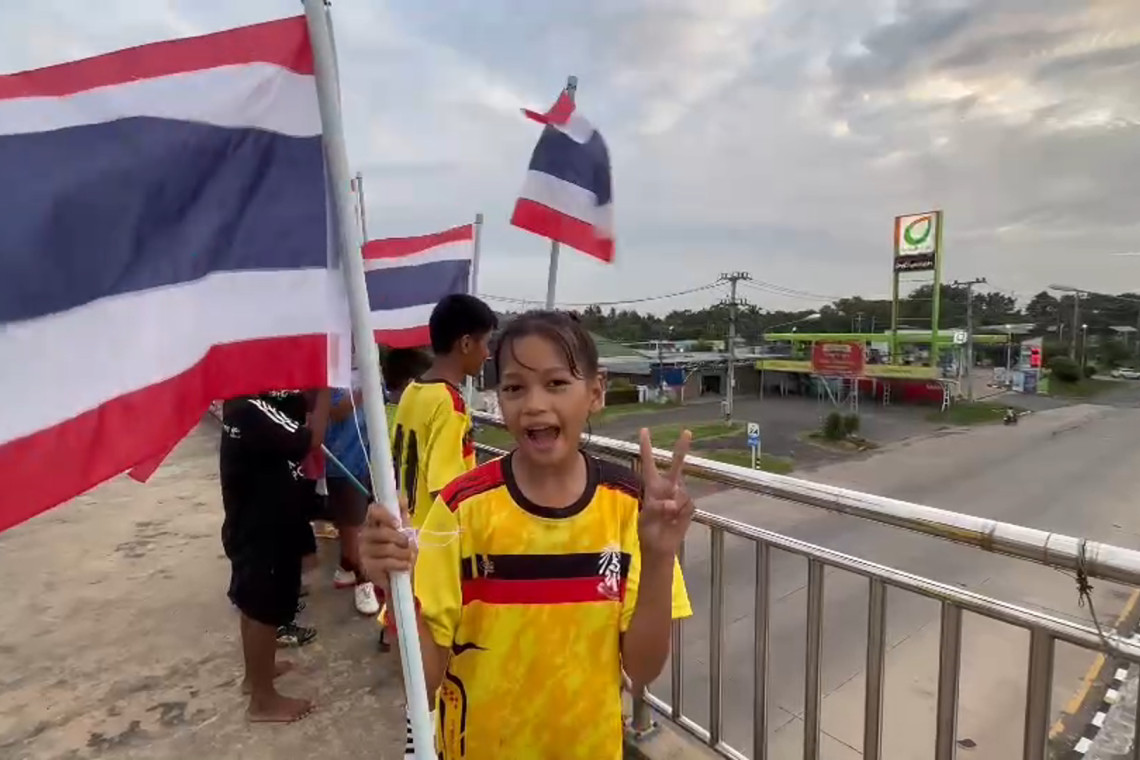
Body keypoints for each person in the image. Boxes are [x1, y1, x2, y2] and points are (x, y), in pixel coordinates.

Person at [362, 310, 693, 759]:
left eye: (556, 383)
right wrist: (396, 588)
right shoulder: (461, 509)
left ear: (596, 392)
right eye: (514, 388)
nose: (534, 404)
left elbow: (642, 670)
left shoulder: (629, 506)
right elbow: (424, 681)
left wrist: (658, 556)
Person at [380, 293, 497, 757]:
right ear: (465, 343)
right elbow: (452, 488)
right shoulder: (450, 404)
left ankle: (418, 742)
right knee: (441, 677)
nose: (487, 353)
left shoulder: (413, 391)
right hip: (436, 550)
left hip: (408, 536)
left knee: (414, 666)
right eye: (485, 343)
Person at [219, 388, 331, 722]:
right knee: (264, 611)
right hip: (264, 526)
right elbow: (311, 439)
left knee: (252, 604)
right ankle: (263, 701)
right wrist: (326, 389)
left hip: (254, 521)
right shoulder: (252, 408)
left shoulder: (242, 403)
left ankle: (256, 676)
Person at [325, 382, 381, 616]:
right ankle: (363, 582)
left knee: (368, 519)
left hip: (370, 458)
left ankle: (347, 567)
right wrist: (361, 393)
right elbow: (332, 411)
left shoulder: (371, 371)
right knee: (352, 526)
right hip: (343, 460)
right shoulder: (330, 374)